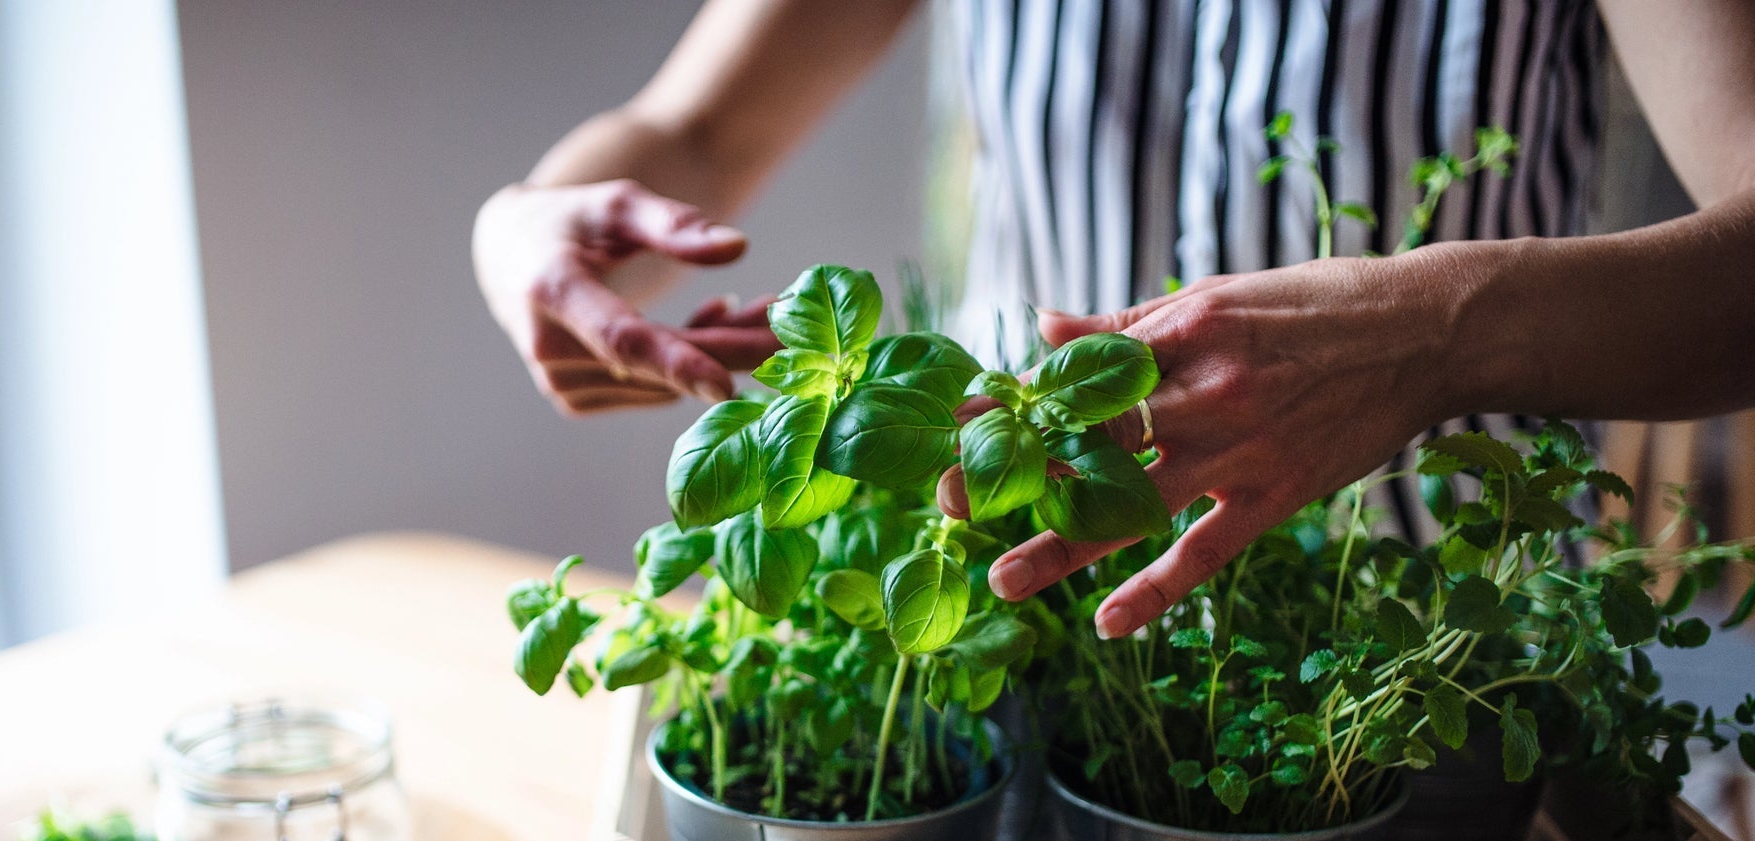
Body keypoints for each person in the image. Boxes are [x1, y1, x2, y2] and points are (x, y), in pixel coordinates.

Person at [473, 0, 1755, 639]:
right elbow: (693, 127)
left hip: (1431, 633)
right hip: (1021, 596)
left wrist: (1431, 337)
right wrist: (529, 222)